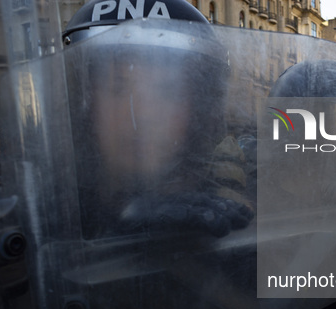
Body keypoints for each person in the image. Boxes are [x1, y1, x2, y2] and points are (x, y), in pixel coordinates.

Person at [62, 0, 253, 239]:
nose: (142, 113)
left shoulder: (235, 212)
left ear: (201, 110)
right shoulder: (43, 219)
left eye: (168, 90)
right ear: (84, 102)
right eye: (119, 87)